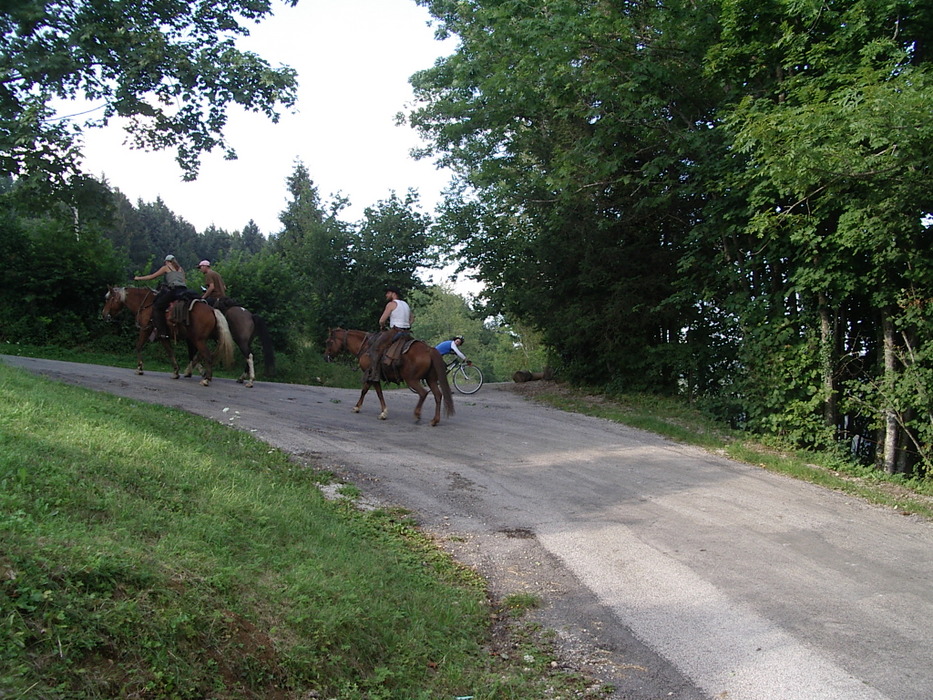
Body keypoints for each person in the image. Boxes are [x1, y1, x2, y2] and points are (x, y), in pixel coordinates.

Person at [134, 254, 188, 339]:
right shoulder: (181, 269)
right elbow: (184, 281)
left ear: (166, 261)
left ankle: (162, 331)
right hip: (184, 291)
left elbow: (152, 276)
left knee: (157, 307)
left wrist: (139, 278)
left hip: (174, 291)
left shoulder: (166, 267)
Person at [367, 285, 413, 380]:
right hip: (406, 332)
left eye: (388, 293)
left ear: (393, 294)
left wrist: (382, 326)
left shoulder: (391, 304)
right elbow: (412, 318)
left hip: (395, 331)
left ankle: (374, 374)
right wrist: (406, 324)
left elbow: (382, 320)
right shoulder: (405, 304)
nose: (386, 295)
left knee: (376, 347)